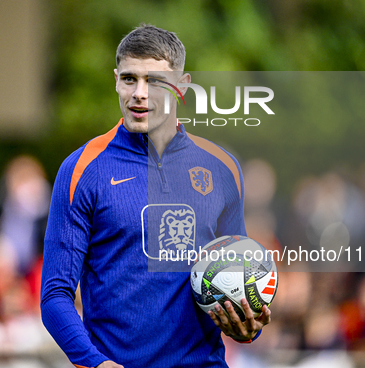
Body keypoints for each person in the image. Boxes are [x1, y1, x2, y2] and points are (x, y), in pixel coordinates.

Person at [41, 24, 271, 368]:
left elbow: (237, 277)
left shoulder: (223, 168)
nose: (139, 93)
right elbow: (55, 296)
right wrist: (95, 363)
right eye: (130, 79)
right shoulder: (81, 170)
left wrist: (247, 327)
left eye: (155, 81)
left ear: (182, 86)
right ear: (116, 79)